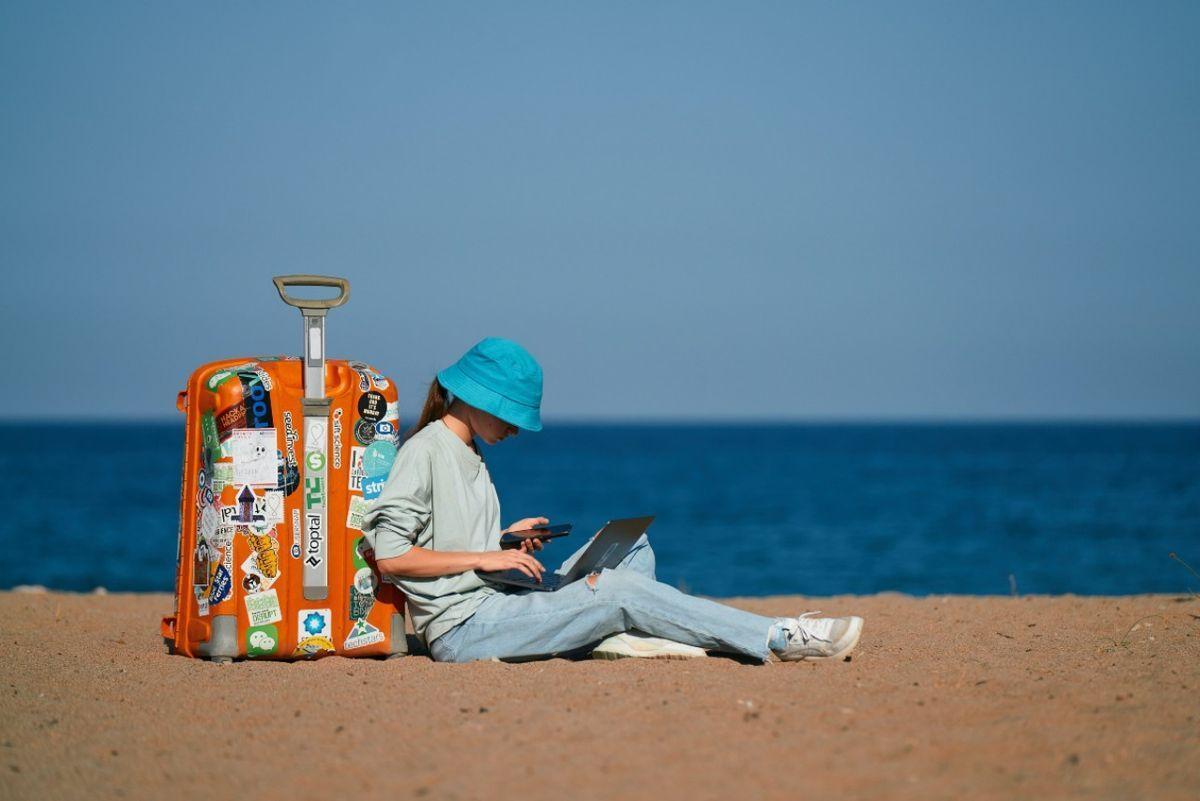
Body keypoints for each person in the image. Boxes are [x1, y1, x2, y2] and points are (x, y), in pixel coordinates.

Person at [362, 337, 863, 663]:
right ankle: (779, 636)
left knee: (632, 546)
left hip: (499, 598)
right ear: (475, 399)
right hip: (465, 628)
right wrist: (486, 555)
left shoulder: (467, 449)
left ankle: (609, 636)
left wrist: (505, 539)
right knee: (619, 592)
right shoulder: (426, 450)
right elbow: (393, 556)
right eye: (510, 415)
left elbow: (444, 537)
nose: (515, 428)